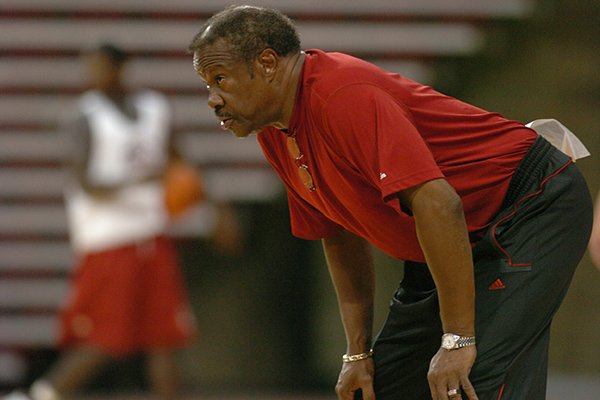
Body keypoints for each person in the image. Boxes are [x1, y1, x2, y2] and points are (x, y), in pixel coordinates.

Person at [187, 5, 593, 400]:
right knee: (381, 387)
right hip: (451, 234)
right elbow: (338, 233)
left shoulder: (342, 94)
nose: (213, 99)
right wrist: (357, 353)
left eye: (220, 79)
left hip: (528, 206)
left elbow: (440, 203)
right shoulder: (275, 131)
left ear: (268, 63)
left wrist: (457, 339)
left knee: (469, 382)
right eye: (208, 84)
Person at [6, 43, 197, 400]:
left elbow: (180, 164)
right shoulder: (83, 117)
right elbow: (87, 184)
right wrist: (143, 181)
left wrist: (213, 207)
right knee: (101, 338)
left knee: (165, 336)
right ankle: (38, 396)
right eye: (89, 67)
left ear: (121, 67)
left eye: (99, 66)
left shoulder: (155, 108)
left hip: (152, 235)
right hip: (108, 240)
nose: (92, 74)